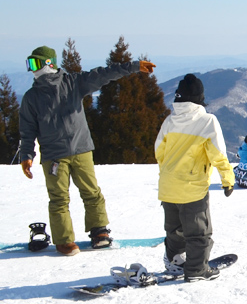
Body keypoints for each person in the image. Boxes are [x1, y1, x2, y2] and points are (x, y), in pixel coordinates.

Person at [17, 45, 155, 256]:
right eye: (29, 64)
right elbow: (27, 130)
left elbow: (104, 74)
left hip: (81, 149)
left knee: (91, 192)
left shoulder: (73, 83)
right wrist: (27, 155)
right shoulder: (31, 97)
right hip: (54, 156)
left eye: (34, 63)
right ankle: (64, 241)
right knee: (59, 199)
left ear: (48, 64)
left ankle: (99, 232)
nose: (31, 69)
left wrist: (133, 66)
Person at [154, 74, 235, 281]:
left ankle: (175, 263)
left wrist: (170, 173)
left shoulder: (170, 120)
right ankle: (197, 270)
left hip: (167, 186)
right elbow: (218, 154)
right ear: (200, 97)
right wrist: (227, 179)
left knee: (174, 231)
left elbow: (159, 151)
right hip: (192, 188)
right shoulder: (207, 121)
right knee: (199, 232)